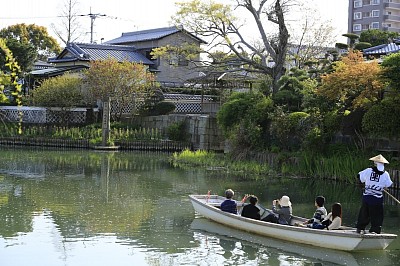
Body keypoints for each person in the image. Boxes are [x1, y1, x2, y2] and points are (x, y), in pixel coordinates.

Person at [356, 154, 393, 234]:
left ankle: (360, 228)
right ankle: (375, 230)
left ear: (375, 163)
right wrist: (382, 186)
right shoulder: (385, 174)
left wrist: (367, 183)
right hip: (377, 199)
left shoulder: (368, 170)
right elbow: (389, 184)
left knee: (364, 213)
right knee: (377, 215)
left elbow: (359, 176)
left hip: (367, 197)